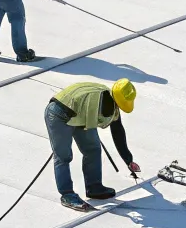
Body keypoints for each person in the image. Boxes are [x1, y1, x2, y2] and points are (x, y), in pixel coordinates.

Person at [45, 78, 140, 211]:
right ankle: (67, 195)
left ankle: (94, 187)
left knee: (93, 149)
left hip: (78, 113)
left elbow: (117, 130)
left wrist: (128, 160)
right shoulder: (99, 104)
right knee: (63, 156)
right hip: (59, 114)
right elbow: (91, 124)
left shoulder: (110, 101)